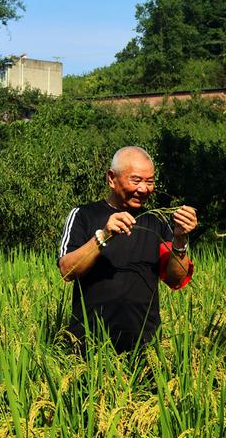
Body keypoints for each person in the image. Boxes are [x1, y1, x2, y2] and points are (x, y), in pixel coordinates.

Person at [57, 146, 197, 353]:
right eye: (136, 180)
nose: (144, 189)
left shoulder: (156, 222)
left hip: (145, 345)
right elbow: (67, 270)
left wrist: (180, 240)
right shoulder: (83, 215)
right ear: (111, 179)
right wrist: (103, 236)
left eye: (149, 182)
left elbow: (176, 279)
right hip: (88, 344)